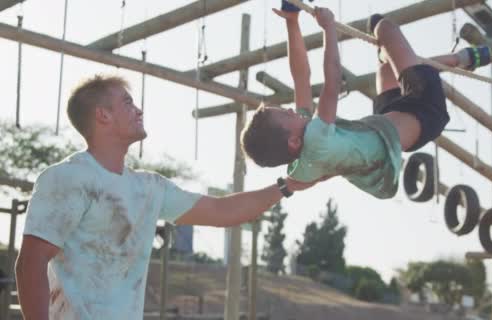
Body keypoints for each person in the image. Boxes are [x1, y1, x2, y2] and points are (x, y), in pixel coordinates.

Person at [14, 75, 318, 320]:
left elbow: (220, 210)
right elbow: (30, 263)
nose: (139, 110)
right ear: (102, 115)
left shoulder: (149, 188)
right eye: (128, 102)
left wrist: (287, 186)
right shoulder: (67, 178)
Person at [240, 3, 491, 199]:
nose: (289, 109)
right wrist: (329, 28)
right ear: (293, 141)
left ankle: (434, 59)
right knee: (383, 27)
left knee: (385, 68)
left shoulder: (300, 162)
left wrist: (292, 24)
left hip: (384, 123)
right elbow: (332, 80)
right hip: (423, 111)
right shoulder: (315, 139)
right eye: (284, 113)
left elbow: (300, 78)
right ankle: (459, 59)